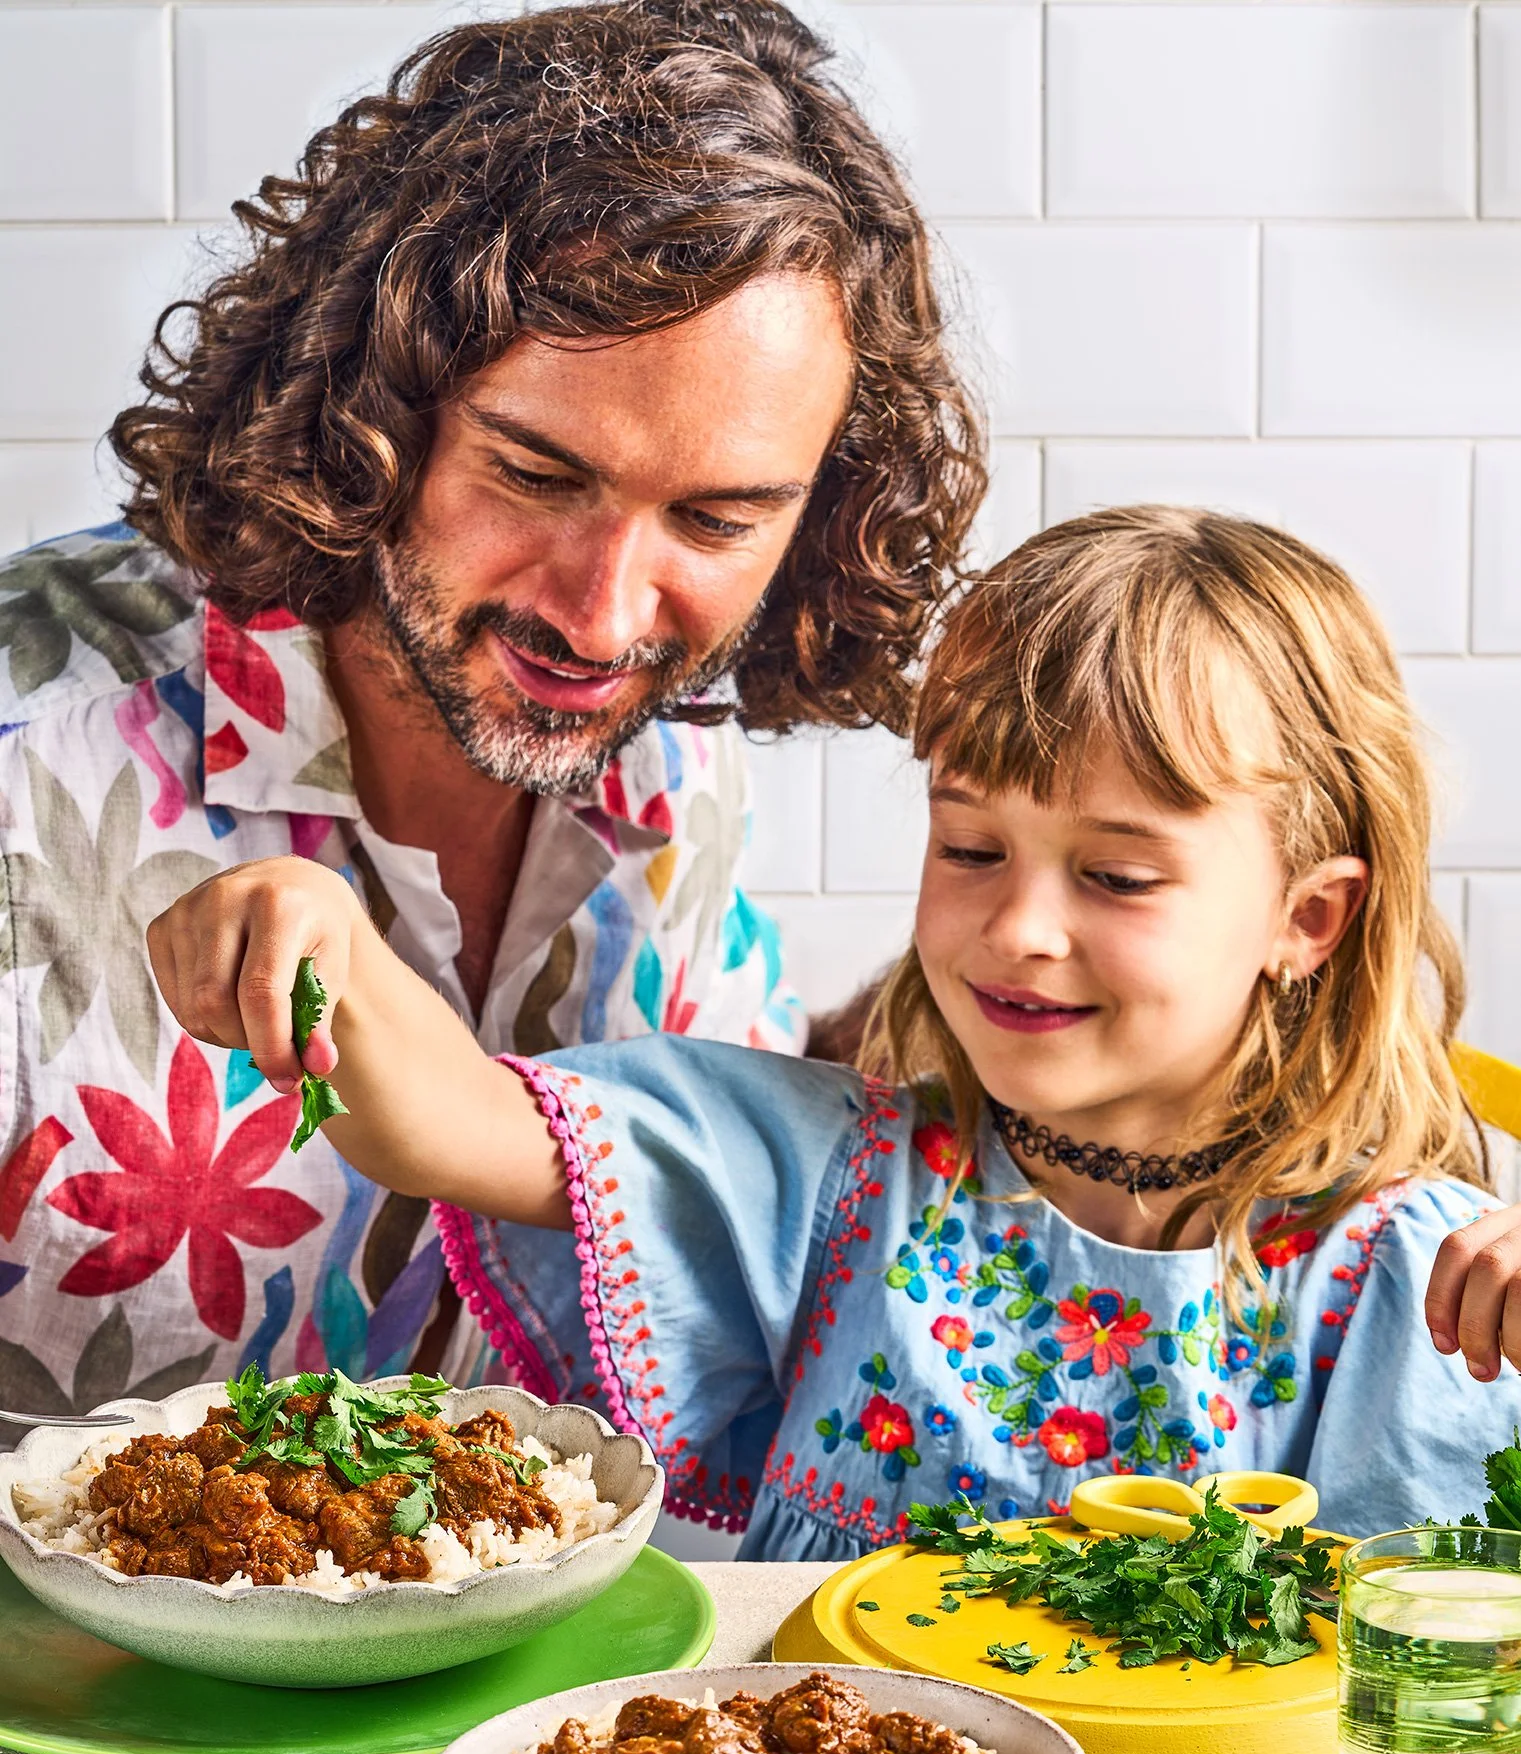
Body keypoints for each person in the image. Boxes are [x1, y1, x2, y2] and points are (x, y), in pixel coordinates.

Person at [149, 507, 1513, 1552]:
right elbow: (444, 1121)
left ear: (1310, 920)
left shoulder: (1400, 1285)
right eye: (972, 845)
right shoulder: (834, 1173)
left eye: (1115, 875)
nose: (1019, 927)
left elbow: (1452, 1678)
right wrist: (314, 920)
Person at [0, 0, 982, 1428]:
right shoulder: (30, 761)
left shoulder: (673, 746)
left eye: (716, 517)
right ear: (371, 401)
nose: (603, 615)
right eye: (534, 474)